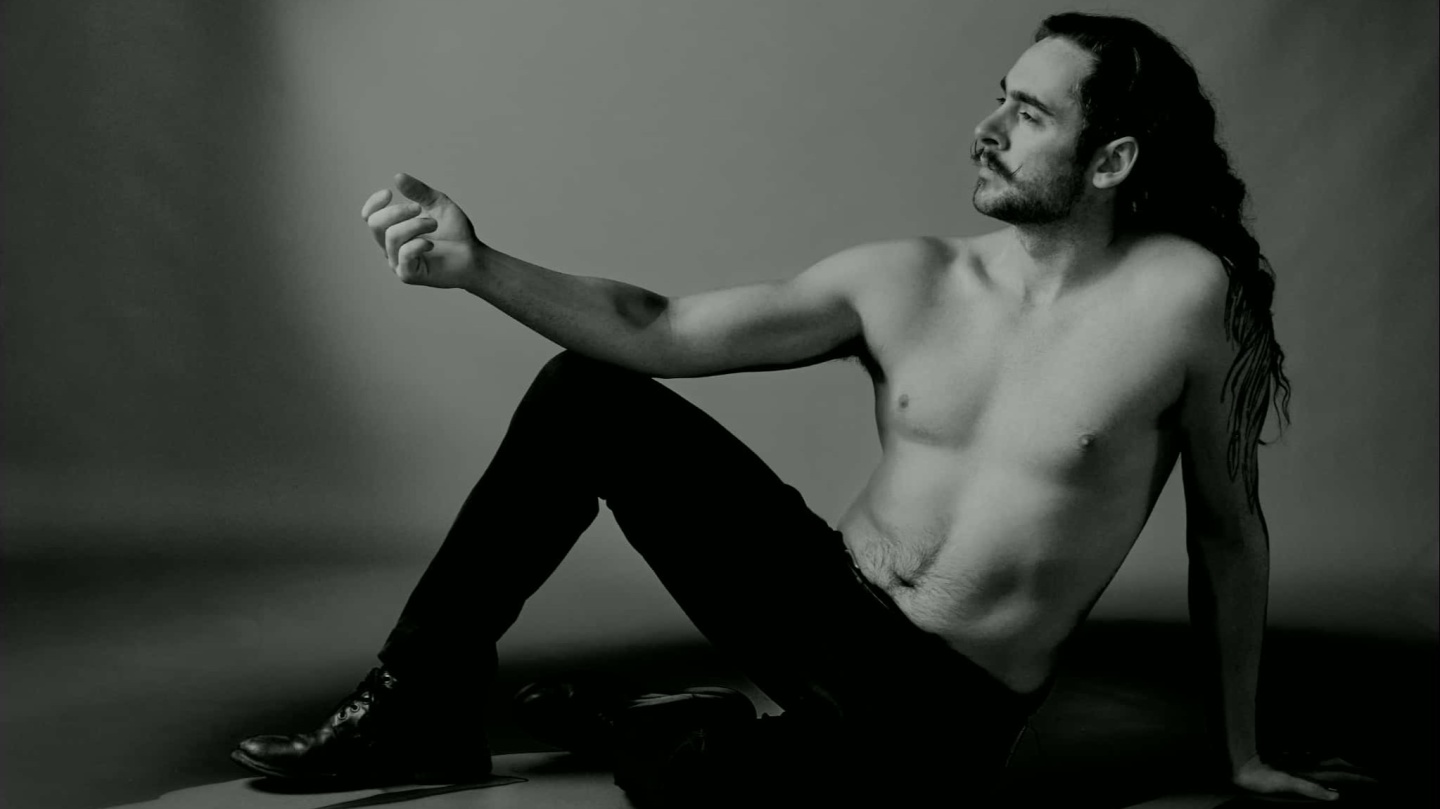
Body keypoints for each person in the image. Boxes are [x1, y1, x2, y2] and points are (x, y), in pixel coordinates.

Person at [232, 12, 1341, 807]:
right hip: (825, 609)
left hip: (943, 710)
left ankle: (659, 723)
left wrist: (1240, 755)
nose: (987, 128)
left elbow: (1227, 532)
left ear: (1111, 159)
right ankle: (416, 701)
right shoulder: (910, 278)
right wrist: (480, 265)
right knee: (588, 393)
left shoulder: (1191, 304)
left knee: (693, 785)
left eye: (1029, 113)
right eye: (998, 96)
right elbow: (658, 325)